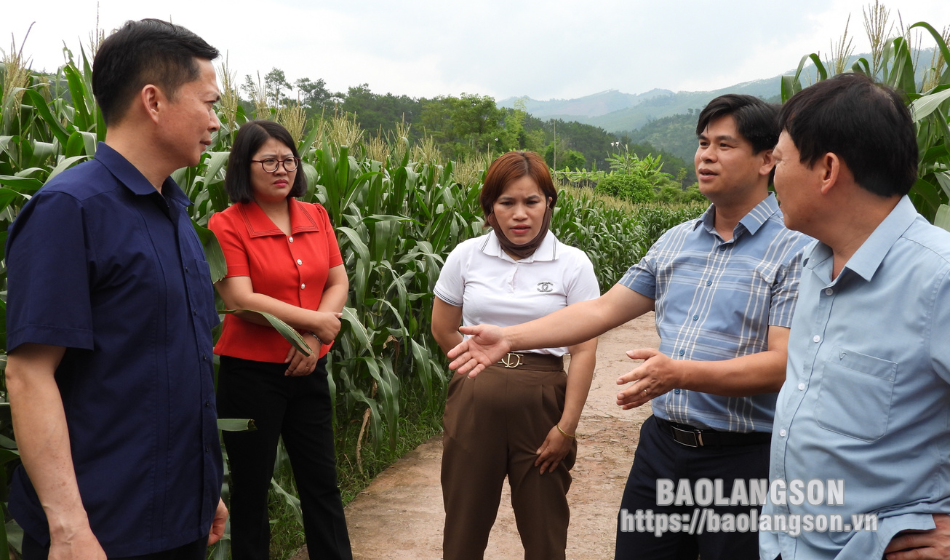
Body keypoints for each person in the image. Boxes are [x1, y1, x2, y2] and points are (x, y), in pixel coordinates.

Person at [449, 95, 812, 560]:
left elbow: (783, 364)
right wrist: (510, 338)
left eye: (725, 145)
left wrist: (680, 374)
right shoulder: (676, 242)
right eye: (703, 143)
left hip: (743, 458)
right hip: (663, 449)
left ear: (768, 160)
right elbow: (601, 311)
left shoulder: (795, 249)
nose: (706, 155)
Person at [4, 19, 226, 559]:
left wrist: (203, 491)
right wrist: (67, 527)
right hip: (100, 532)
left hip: (179, 521)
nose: (217, 124)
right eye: (209, 103)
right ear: (153, 101)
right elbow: (30, 373)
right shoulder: (72, 209)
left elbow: (169, 364)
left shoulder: (174, 212)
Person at [761, 72, 950, 560]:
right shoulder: (814, 263)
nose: (771, 176)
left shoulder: (938, 280)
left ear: (827, 170)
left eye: (778, 161)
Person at [431, 151, 599, 560]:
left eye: (532, 201)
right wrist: (471, 365)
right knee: (464, 525)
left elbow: (584, 348)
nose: (520, 214)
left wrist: (566, 428)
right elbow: (442, 327)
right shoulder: (466, 256)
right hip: (474, 398)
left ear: (549, 205)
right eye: (507, 203)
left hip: (543, 402)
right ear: (490, 209)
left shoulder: (573, 264)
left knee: (545, 531)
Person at [209, 120, 352, 560]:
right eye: (268, 160)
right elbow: (240, 298)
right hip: (251, 375)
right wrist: (315, 323)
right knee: (251, 491)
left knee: (321, 484)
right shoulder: (226, 224)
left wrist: (310, 336)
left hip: (309, 367)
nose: (281, 169)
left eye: (288, 159)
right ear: (243, 166)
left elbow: (337, 279)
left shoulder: (316, 215)